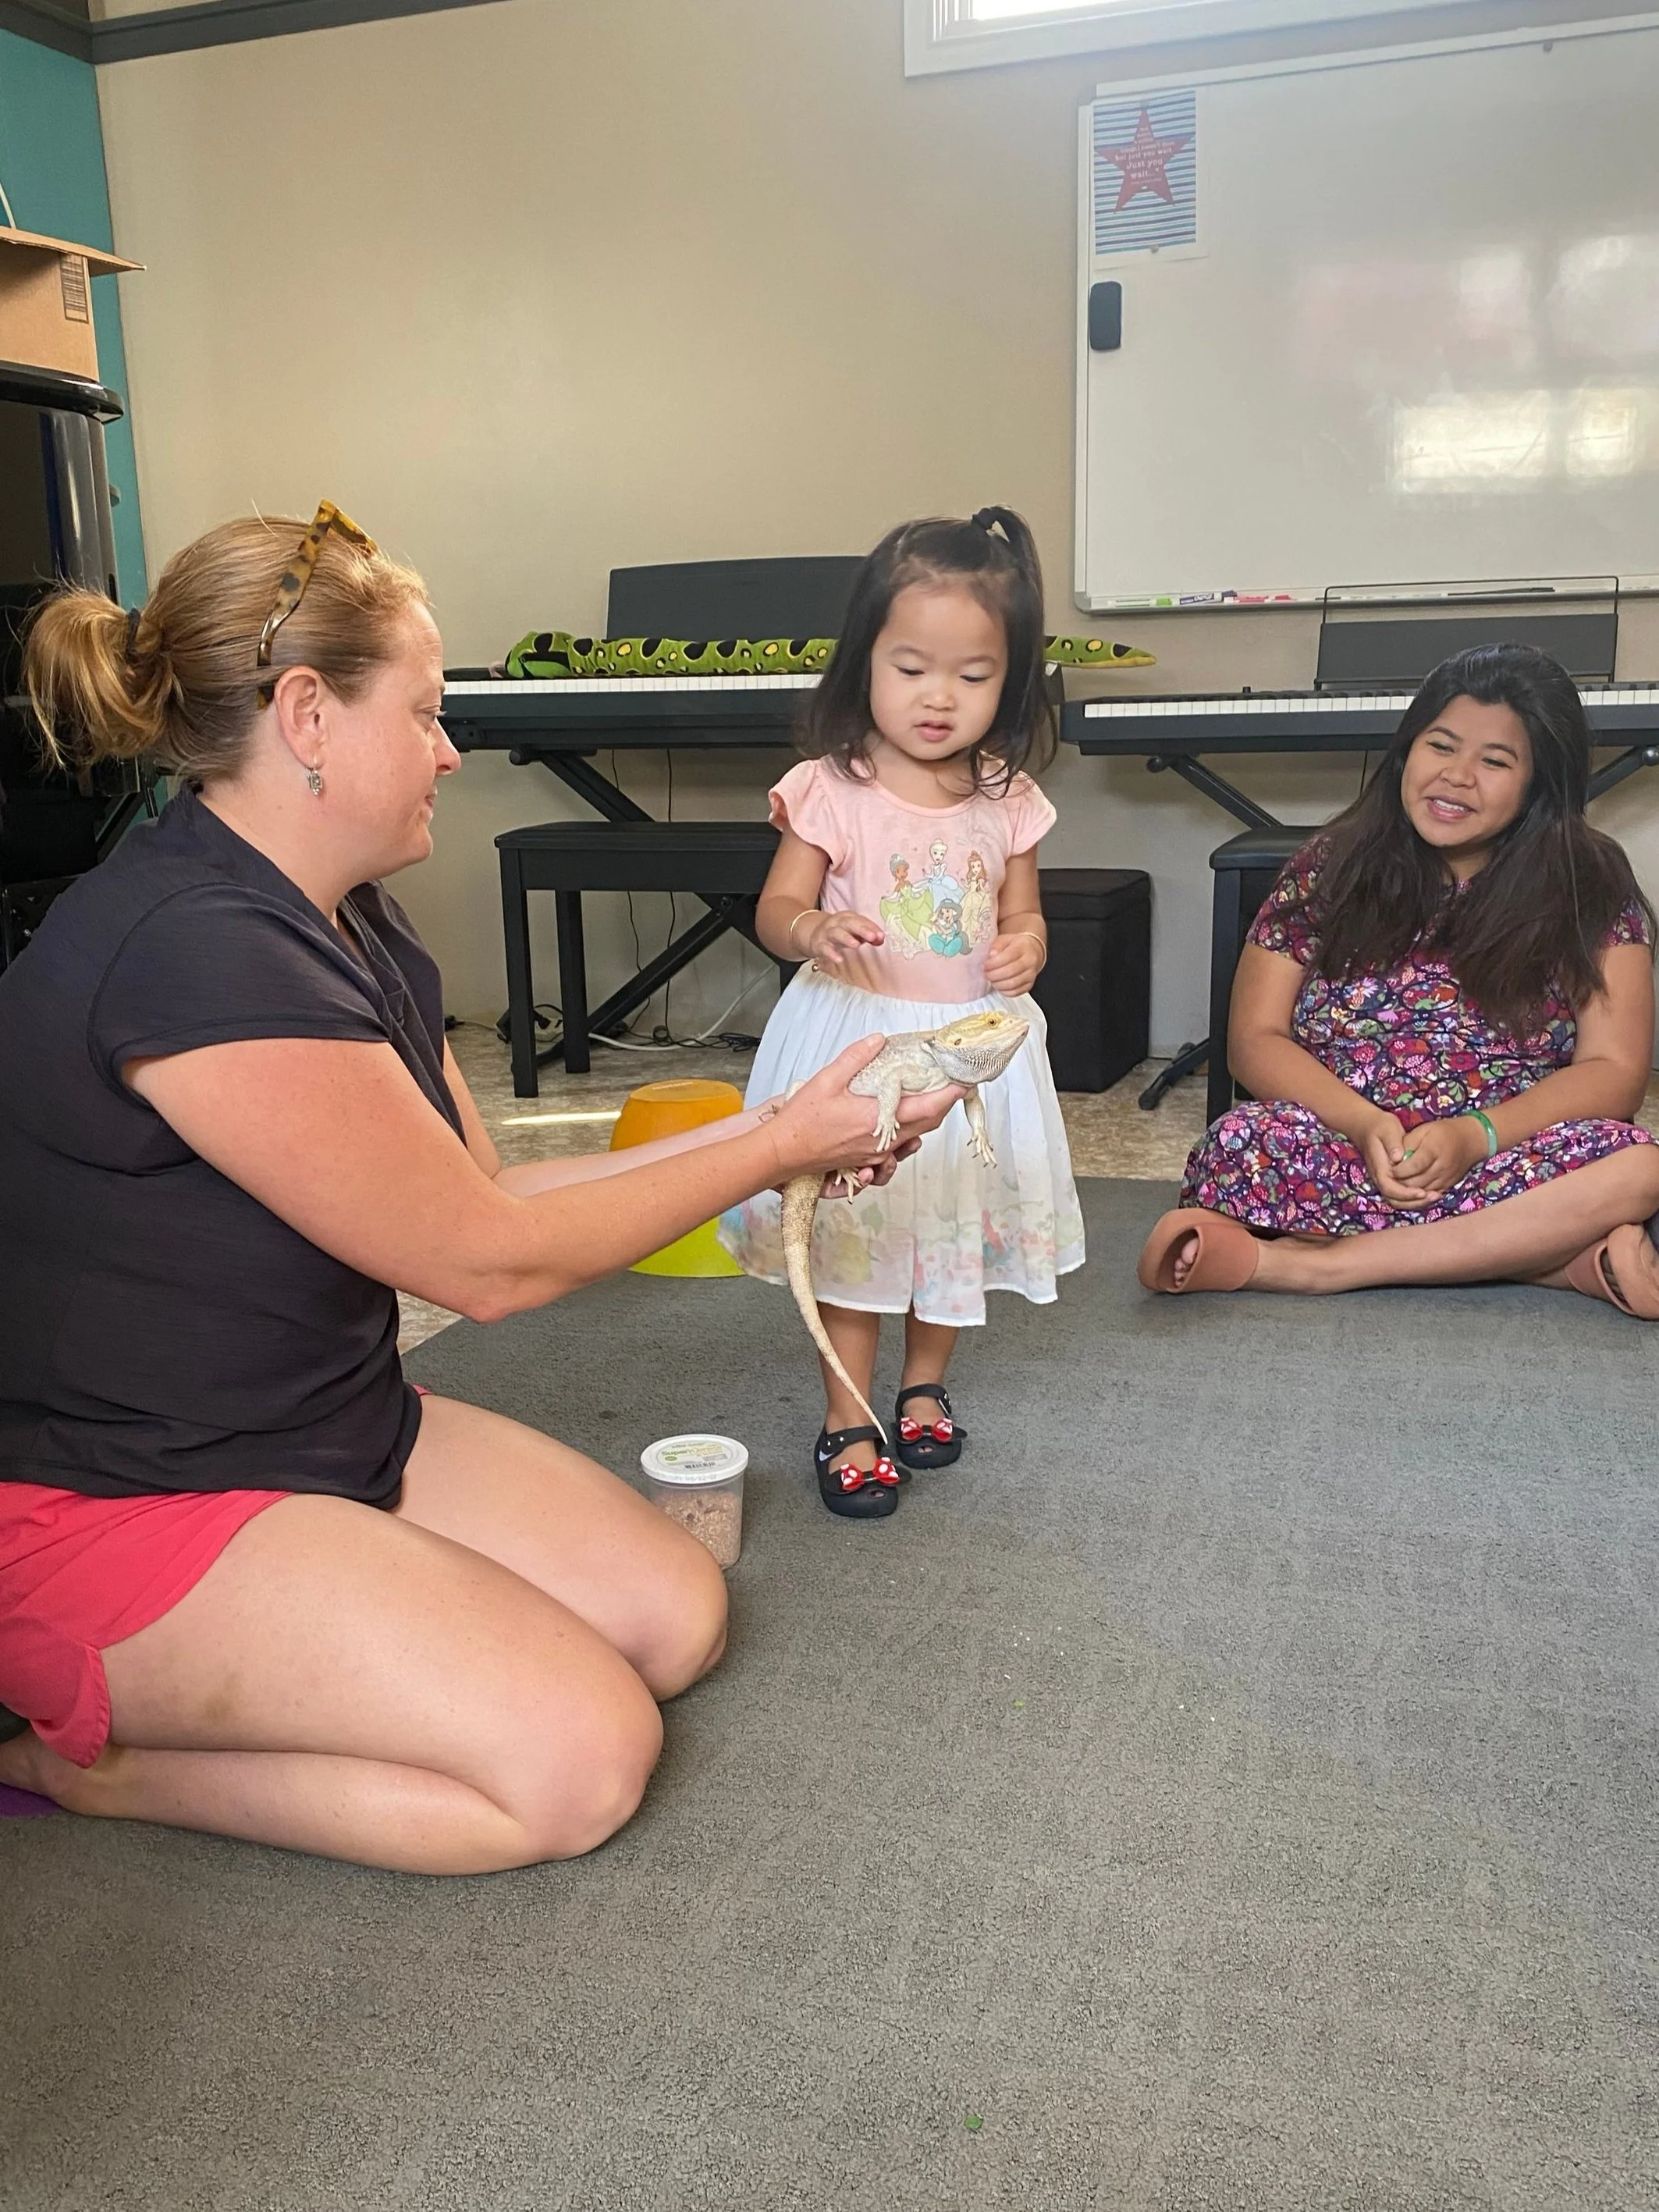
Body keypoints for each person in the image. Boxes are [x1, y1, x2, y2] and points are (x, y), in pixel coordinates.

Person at [0, 507, 961, 1873]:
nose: (453, 748)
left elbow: (485, 1184)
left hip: (316, 1421)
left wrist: (784, 1122)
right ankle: (82, 1764)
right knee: (579, 1758)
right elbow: (486, 1265)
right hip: (114, 1499)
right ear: (307, 715)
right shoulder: (193, 952)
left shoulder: (345, 910)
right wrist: (776, 1147)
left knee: (670, 1617)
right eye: (429, 712)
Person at [719, 508, 1085, 1518]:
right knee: (858, 1227)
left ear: (1008, 682)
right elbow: (776, 907)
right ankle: (847, 1413)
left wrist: (1028, 944)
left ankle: (923, 1383)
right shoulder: (831, 787)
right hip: (861, 1041)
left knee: (942, 1224)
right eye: (910, 666)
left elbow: (1024, 914)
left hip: (967, 1047)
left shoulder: (1008, 797)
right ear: (863, 662)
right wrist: (812, 933)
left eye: (972, 676)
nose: (939, 697)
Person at [1139, 644, 1659, 1311]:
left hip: (1506, 1148)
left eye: (1495, 762)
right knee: (1239, 1145)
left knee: (1638, 1168)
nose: (1457, 777)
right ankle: (1554, 1258)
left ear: (1540, 786)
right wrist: (1362, 1124)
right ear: (1407, 750)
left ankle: (1317, 1266)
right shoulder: (1329, 865)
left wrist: (1477, 1135)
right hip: (1349, 1143)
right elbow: (1255, 1039)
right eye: (1440, 746)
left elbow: (1614, 1072)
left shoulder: (1590, 881)